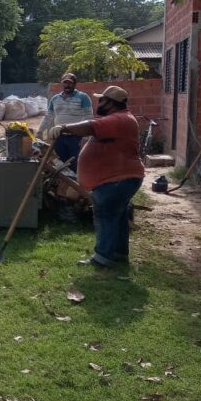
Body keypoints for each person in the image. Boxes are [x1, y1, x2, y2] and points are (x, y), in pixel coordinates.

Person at [46, 85, 145, 268]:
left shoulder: (119, 119)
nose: (98, 102)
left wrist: (64, 127)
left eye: (102, 100)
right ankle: (118, 254)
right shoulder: (119, 118)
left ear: (111, 103)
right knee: (118, 216)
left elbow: (91, 126)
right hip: (119, 178)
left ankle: (103, 258)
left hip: (116, 180)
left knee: (105, 215)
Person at [38, 72, 92, 170]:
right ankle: (63, 185)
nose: (67, 85)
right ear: (62, 84)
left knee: (75, 164)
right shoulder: (55, 99)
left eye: (70, 83)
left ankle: (74, 184)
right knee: (60, 164)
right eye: (65, 83)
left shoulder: (83, 97)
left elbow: (88, 116)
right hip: (59, 136)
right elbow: (48, 116)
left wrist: (84, 136)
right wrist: (40, 131)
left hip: (76, 137)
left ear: (75, 84)